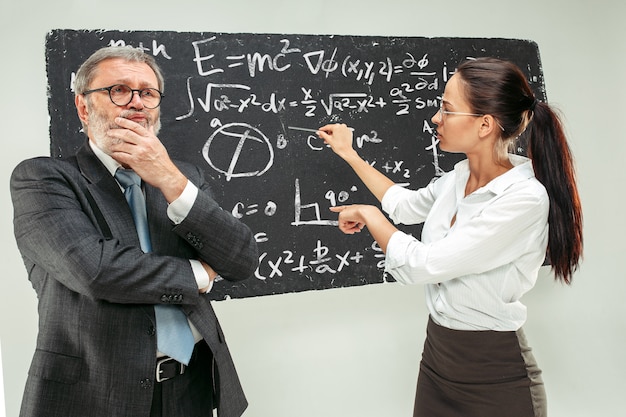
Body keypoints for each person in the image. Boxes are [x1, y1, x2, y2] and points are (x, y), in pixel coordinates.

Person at [317, 57, 583, 417]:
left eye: (446, 109)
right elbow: (405, 206)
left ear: (485, 124)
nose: (435, 118)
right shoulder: (458, 178)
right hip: (437, 365)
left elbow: (423, 265)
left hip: (496, 380)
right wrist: (349, 153)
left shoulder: (523, 199)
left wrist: (368, 215)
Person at [10, 46, 258, 417]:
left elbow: (241, 260)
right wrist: (199, 274)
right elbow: (95, 270)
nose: (136, 103)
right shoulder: (44, 178)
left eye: (148, 93)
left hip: (191, 386)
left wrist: (171, 180)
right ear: (83, 107)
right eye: (119, 90)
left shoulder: (184, 177)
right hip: (93, 394)